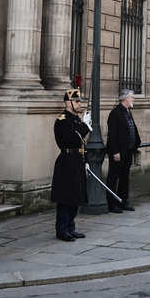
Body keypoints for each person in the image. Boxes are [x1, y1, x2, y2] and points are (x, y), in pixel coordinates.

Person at [51, 88, 92, 241]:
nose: (80, 104)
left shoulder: (76, 119)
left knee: (76, 195)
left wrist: (86, 161)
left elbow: (82, 144)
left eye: (80, 101)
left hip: (77, 160)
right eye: (77, 101)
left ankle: (71, 227)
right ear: (68, 103)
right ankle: (62, 230)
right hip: (67, 160)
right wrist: (85, 127)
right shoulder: (63, 120)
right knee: (66, 197)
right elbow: (73, 139)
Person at [105, 89, 141, 213]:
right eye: (132, 97)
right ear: (125, 98)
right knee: (113, 177)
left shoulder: (128, 112)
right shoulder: (115, 113)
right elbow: (112, 135)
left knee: (125, 177)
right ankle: (111, 203)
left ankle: (123, 201)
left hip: (128, 150)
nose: (133, 99)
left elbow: (131, 129)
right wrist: (115, 151)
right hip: (118, 152)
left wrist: (135, 144)